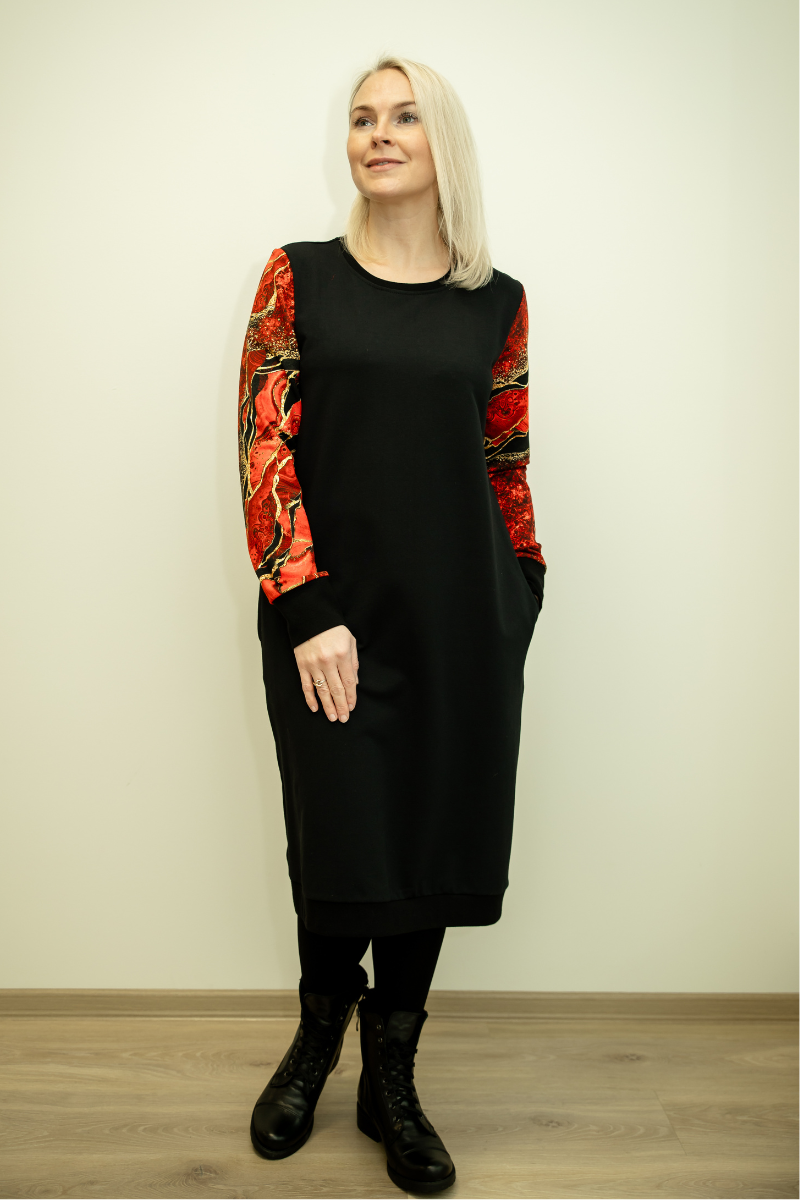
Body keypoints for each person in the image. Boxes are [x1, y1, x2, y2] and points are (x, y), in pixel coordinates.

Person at [237, 55, 547, 1195]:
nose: (378, 133)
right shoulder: (299, 277)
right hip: (332, 620)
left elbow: (505, 458)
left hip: (463, 619)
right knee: (342, 841)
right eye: (362, 117)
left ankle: (393, 1077)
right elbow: (264, 444)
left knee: (431, 840)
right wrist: (305, 606)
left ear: (439, 141)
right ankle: (316, 1042)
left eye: (404, 115)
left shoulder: (497, 303)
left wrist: (521, 585)